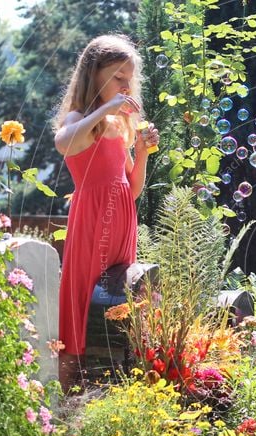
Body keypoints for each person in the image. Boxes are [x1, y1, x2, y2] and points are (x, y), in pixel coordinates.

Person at [52, 34, 160, 392]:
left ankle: (106, 393)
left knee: (116, 307)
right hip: (91, 224)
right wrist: (105, 109)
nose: (126, 85)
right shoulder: (81, 118)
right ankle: (66, 408)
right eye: (118, 76)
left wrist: (142, 152)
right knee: (80, 313)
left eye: (130, 77)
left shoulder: (120, 125)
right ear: (94, 75)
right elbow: (65, 142)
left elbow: (133, 187)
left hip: (122, 222)